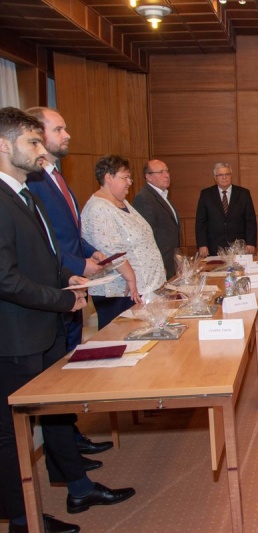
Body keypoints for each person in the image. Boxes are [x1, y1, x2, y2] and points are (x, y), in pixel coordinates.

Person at [0, 107, 134, 533]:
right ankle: (21, 521)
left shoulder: (28, 193)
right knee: (11, 436)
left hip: (45, 326)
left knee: (56, 411)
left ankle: (78, 487)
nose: (40, 149)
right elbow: (5, 278)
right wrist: (61, 298)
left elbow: (46, 254)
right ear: (3, 146)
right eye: (32, 141)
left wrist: (67, 276)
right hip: (15, 336)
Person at [24, 106, 113, 464]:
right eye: (59, 129)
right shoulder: (33, 182)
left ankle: (70, 440)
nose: (67, 135)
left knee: (68, 368)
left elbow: (70, 234)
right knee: (57, 376)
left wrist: (92, 253)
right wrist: (78, 266)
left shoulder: (55, 176)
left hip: (73, 286)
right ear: (38, 135)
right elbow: (45, 242)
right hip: (57, 289)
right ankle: (66, 456)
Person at [81, 155, 166, 329]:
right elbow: (111, 249)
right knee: (123, 338)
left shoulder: (122, 202)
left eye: (130, 178)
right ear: (108, 177)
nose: (129, 183)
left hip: (140, 288)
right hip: (120, 292)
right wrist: (131, 278)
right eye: (125, 177)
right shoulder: (99, 207)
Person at [195, 163, 257, 258]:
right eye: (220, 175)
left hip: (239, 247)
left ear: (231, 176)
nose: (224, 177)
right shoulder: (206, 194)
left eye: (227, 174)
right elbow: (201, 222)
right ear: (215, 177)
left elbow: (250, 221)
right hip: (213, 246)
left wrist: (251, 243)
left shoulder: (243, 193)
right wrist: (202, 244)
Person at [133, 160, 181, 279]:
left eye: (167, 171)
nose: (167, 175)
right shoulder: (144, 198)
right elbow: (146, 236)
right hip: (159, 263)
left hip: (170, 261)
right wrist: (157, 265)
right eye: (160, 172)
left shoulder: (163, 195)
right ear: (148, 177)